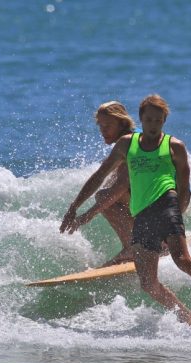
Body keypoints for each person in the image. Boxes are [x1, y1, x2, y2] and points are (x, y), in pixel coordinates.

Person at [60, 94, 191, 326]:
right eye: (149, 120)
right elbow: (99, 176)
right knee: (148, 284)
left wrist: (177, 215)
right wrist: (74, 207)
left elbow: (184, 188)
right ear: (141, 119)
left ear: (164, 120)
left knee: (182, 260)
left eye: (158, 120)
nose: (153, 125)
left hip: (166, 206)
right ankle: (188, 317)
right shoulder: (127, 145)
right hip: (143, 214)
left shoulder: (174, 146)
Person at [77, 101, 137, 266]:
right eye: (101, 126)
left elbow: (121, 187)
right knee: (110, 182)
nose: (103, 130)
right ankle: (152, 241)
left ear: (122, 123)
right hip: (168, 203)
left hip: (160, 204)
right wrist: (74, 207)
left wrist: (87, 215)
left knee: (104, 196)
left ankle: (132, 247)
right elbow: (100, 176)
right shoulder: (136, 136)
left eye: (108, 125)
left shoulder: (129, 143)